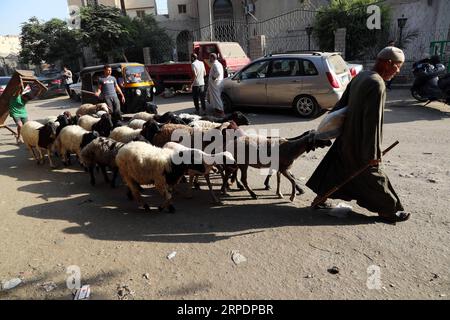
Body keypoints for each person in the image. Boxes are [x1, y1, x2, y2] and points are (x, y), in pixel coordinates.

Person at [306, 46, 410, 223]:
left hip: (347, 138)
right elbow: (373, 123)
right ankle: (388, 210)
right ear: (388, 63)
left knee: (337, 170)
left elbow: (340, 106)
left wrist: (330, 132)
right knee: (372, 175)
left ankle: (320, 199)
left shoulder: (362, 76)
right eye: (397, 66)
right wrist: (373, 154)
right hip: (361, 144)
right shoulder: (377, 83)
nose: (397, 71)